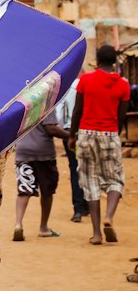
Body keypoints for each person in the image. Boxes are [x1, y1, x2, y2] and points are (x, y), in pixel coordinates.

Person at [68, 44, 131, 244]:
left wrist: (72, 135)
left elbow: (77, 110)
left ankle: (96, 234)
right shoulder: (123, 85)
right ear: (114, 62)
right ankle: (109, 217)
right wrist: (114, 134)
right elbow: (122, 116)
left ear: (97, 59)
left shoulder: (85, 80)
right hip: (110, 133)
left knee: (90, 181)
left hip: (86, 134)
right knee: (115, 180)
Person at [12, 107, 70, 241]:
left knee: (24, 189)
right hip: (43, 153)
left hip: (23, 151)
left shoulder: (23, 105)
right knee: (47, 191)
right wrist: (71, 135)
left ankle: (18, 224)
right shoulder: (47, 103)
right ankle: (43, 227)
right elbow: (51, 128)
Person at [57, 78, 87, 222]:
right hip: (87, 132)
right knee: (89, 168)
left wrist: (66, 131)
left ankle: (78, 209)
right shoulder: (86, 85)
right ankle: (89, 204)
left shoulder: (68, 87)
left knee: (75, 169)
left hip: (70, 133)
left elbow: (60, 114)